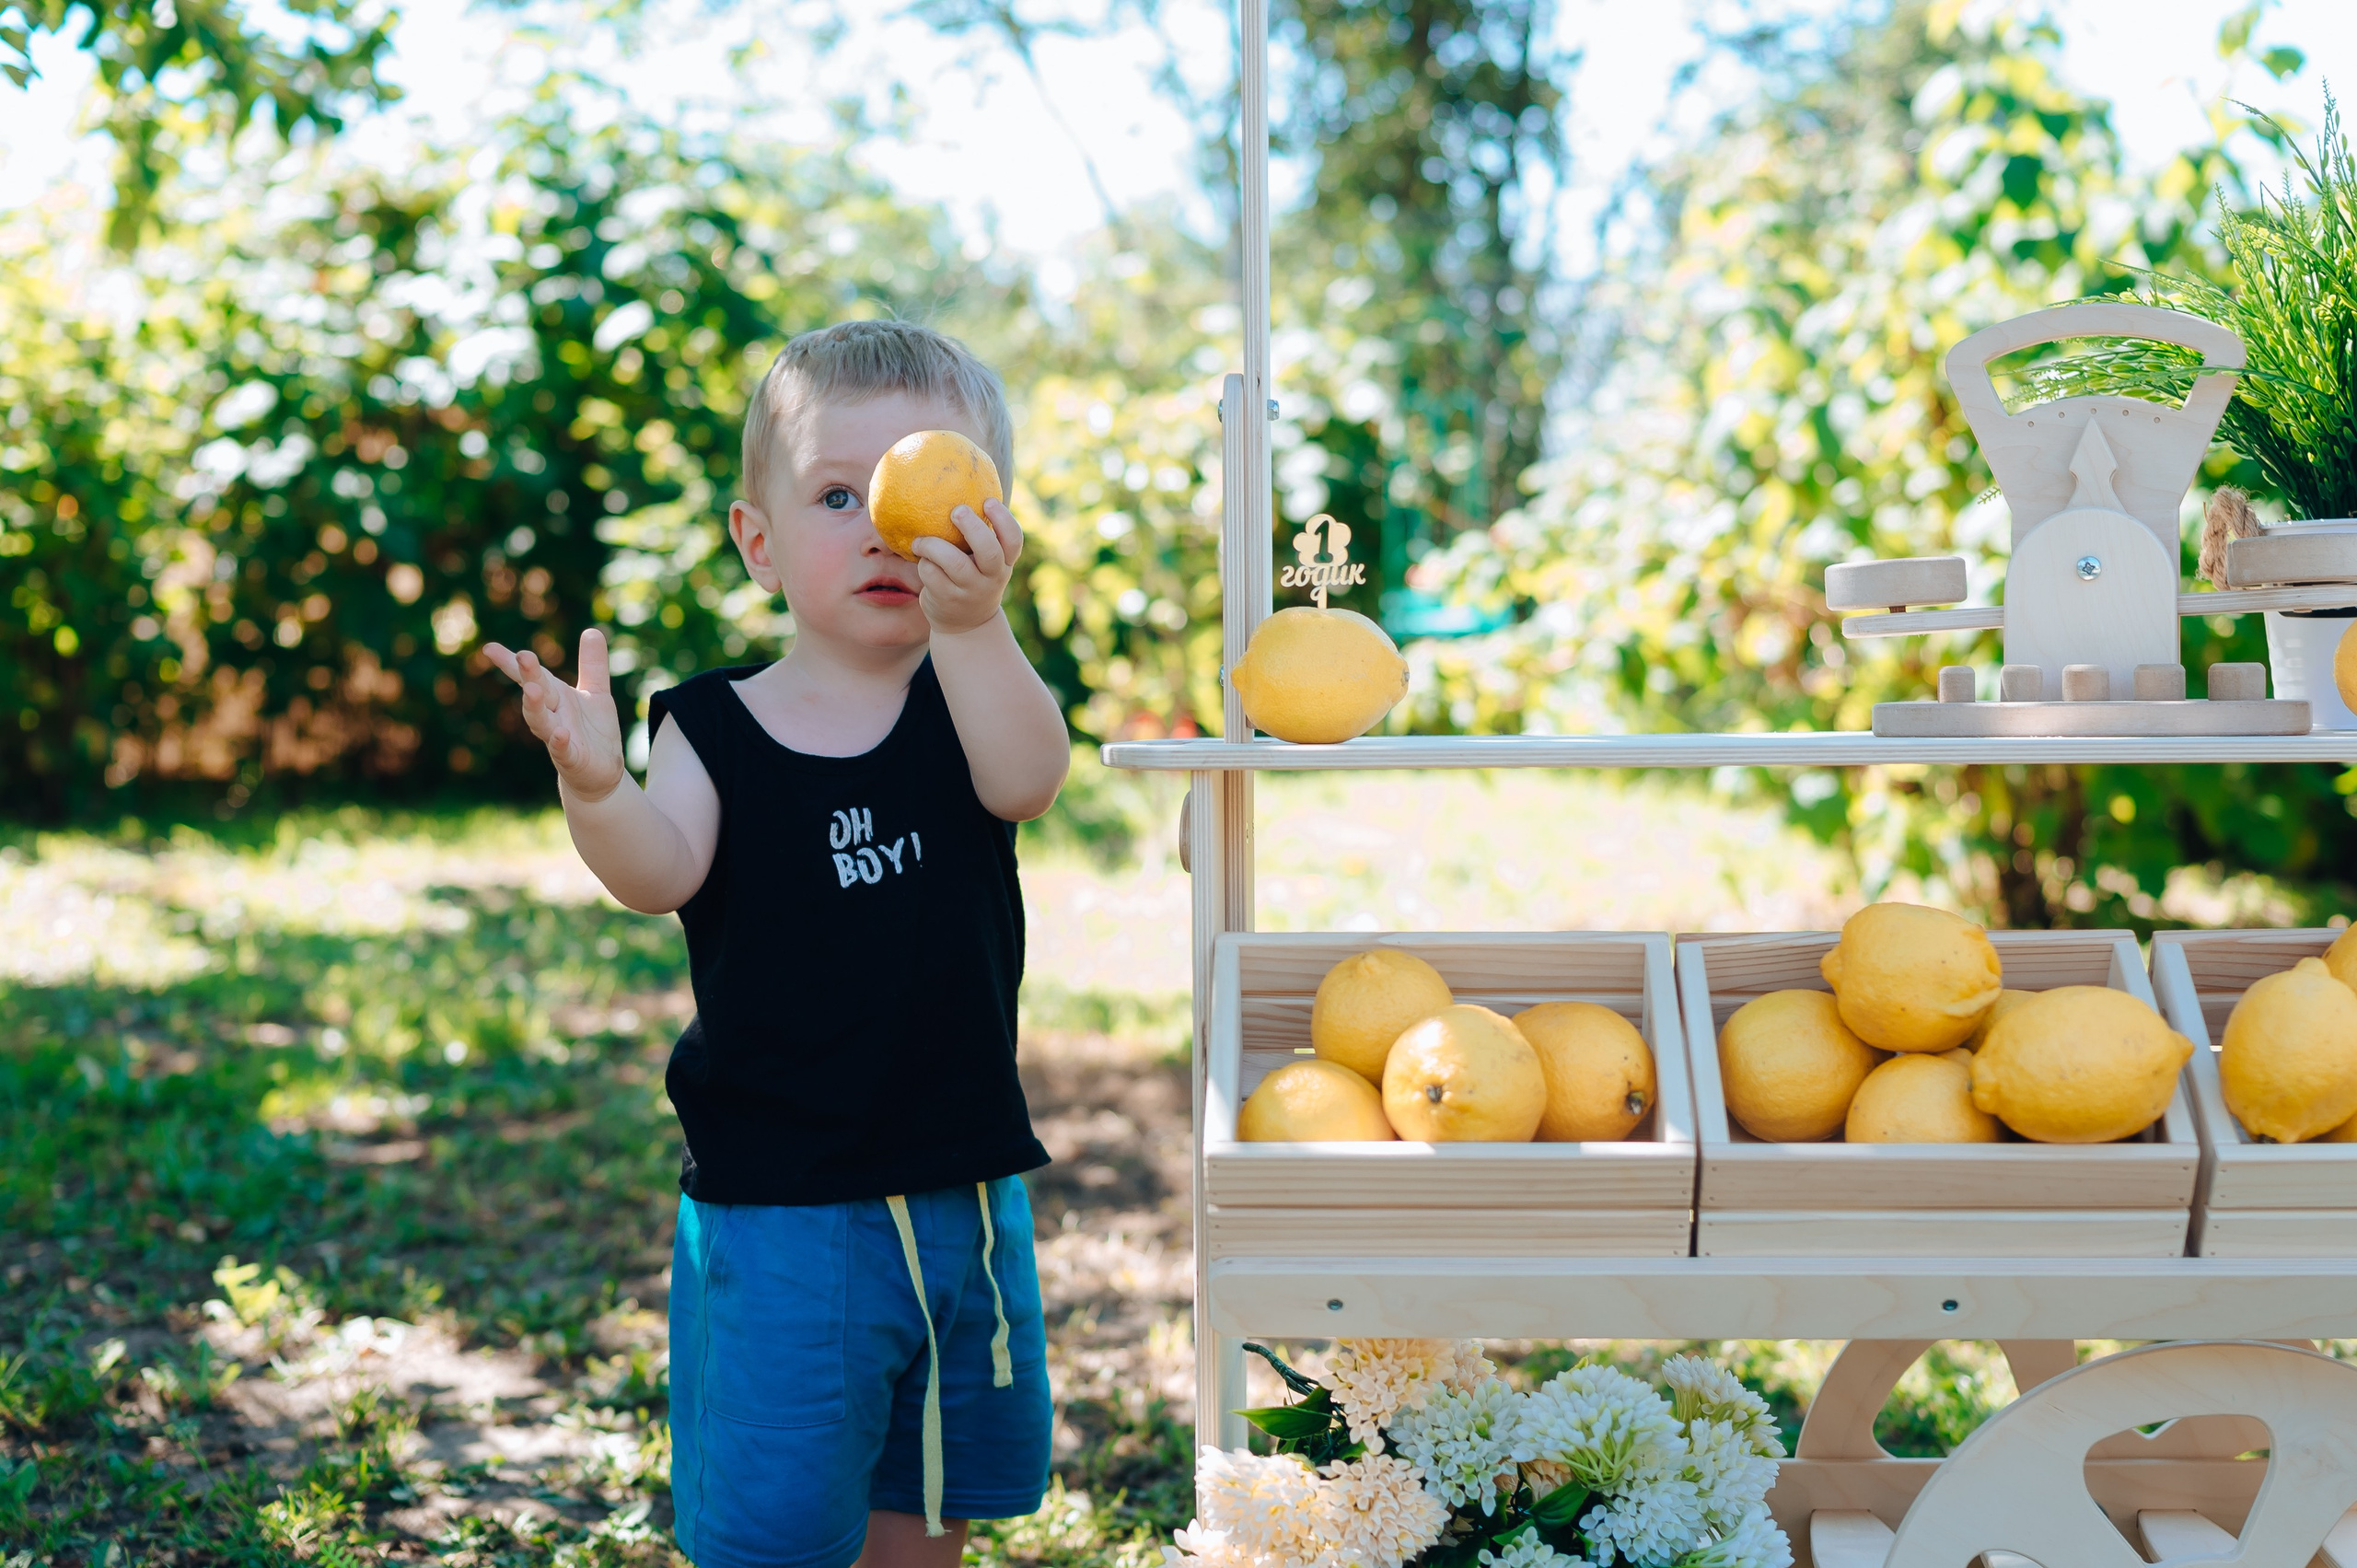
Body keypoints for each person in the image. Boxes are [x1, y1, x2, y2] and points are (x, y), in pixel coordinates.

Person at [485, 319, 1068, 1568]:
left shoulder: (971, 695)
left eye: (920, 489)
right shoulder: (712, 725)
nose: (883, 526)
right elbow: (661, 871)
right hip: (782, 1201)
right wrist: (598, 786)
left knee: (932, 1492)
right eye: (836, 494)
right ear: (761, 542)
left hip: (960, 1177)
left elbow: (1027, 780)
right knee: (782, 1512)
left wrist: (975, 629)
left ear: (991, 526)